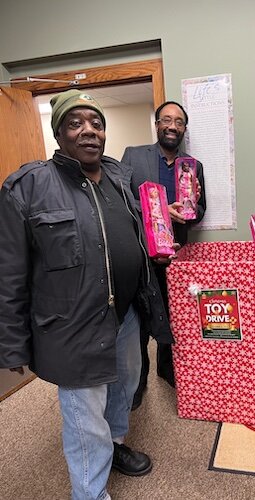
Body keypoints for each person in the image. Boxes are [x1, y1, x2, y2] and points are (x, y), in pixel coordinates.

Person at [0, 89, 174, 499]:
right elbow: (9, 273)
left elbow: (130, 236)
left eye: (96, 123)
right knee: (83, 417)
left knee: (125, 385)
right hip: (72, 325)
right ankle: (91, 493)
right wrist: (12, 346)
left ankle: (113, 446)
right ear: (59, 133)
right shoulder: (28, 186)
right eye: (76, 123)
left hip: (127, 314)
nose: (89, 131)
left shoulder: (118, 176)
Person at [122, 101, 206, 408]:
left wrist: (191, 207)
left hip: (176, 257)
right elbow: (121, 200)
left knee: (175, 318)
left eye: (179, 122)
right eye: (166, 120)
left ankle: (168, 370)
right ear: (157, 124)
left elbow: (199, 212)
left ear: (185, 128)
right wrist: (157, 213)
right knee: (141, 320)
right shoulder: (133, 155)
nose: (172, 126)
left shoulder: (192, 166)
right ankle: (138, 379)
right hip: (141, 254)